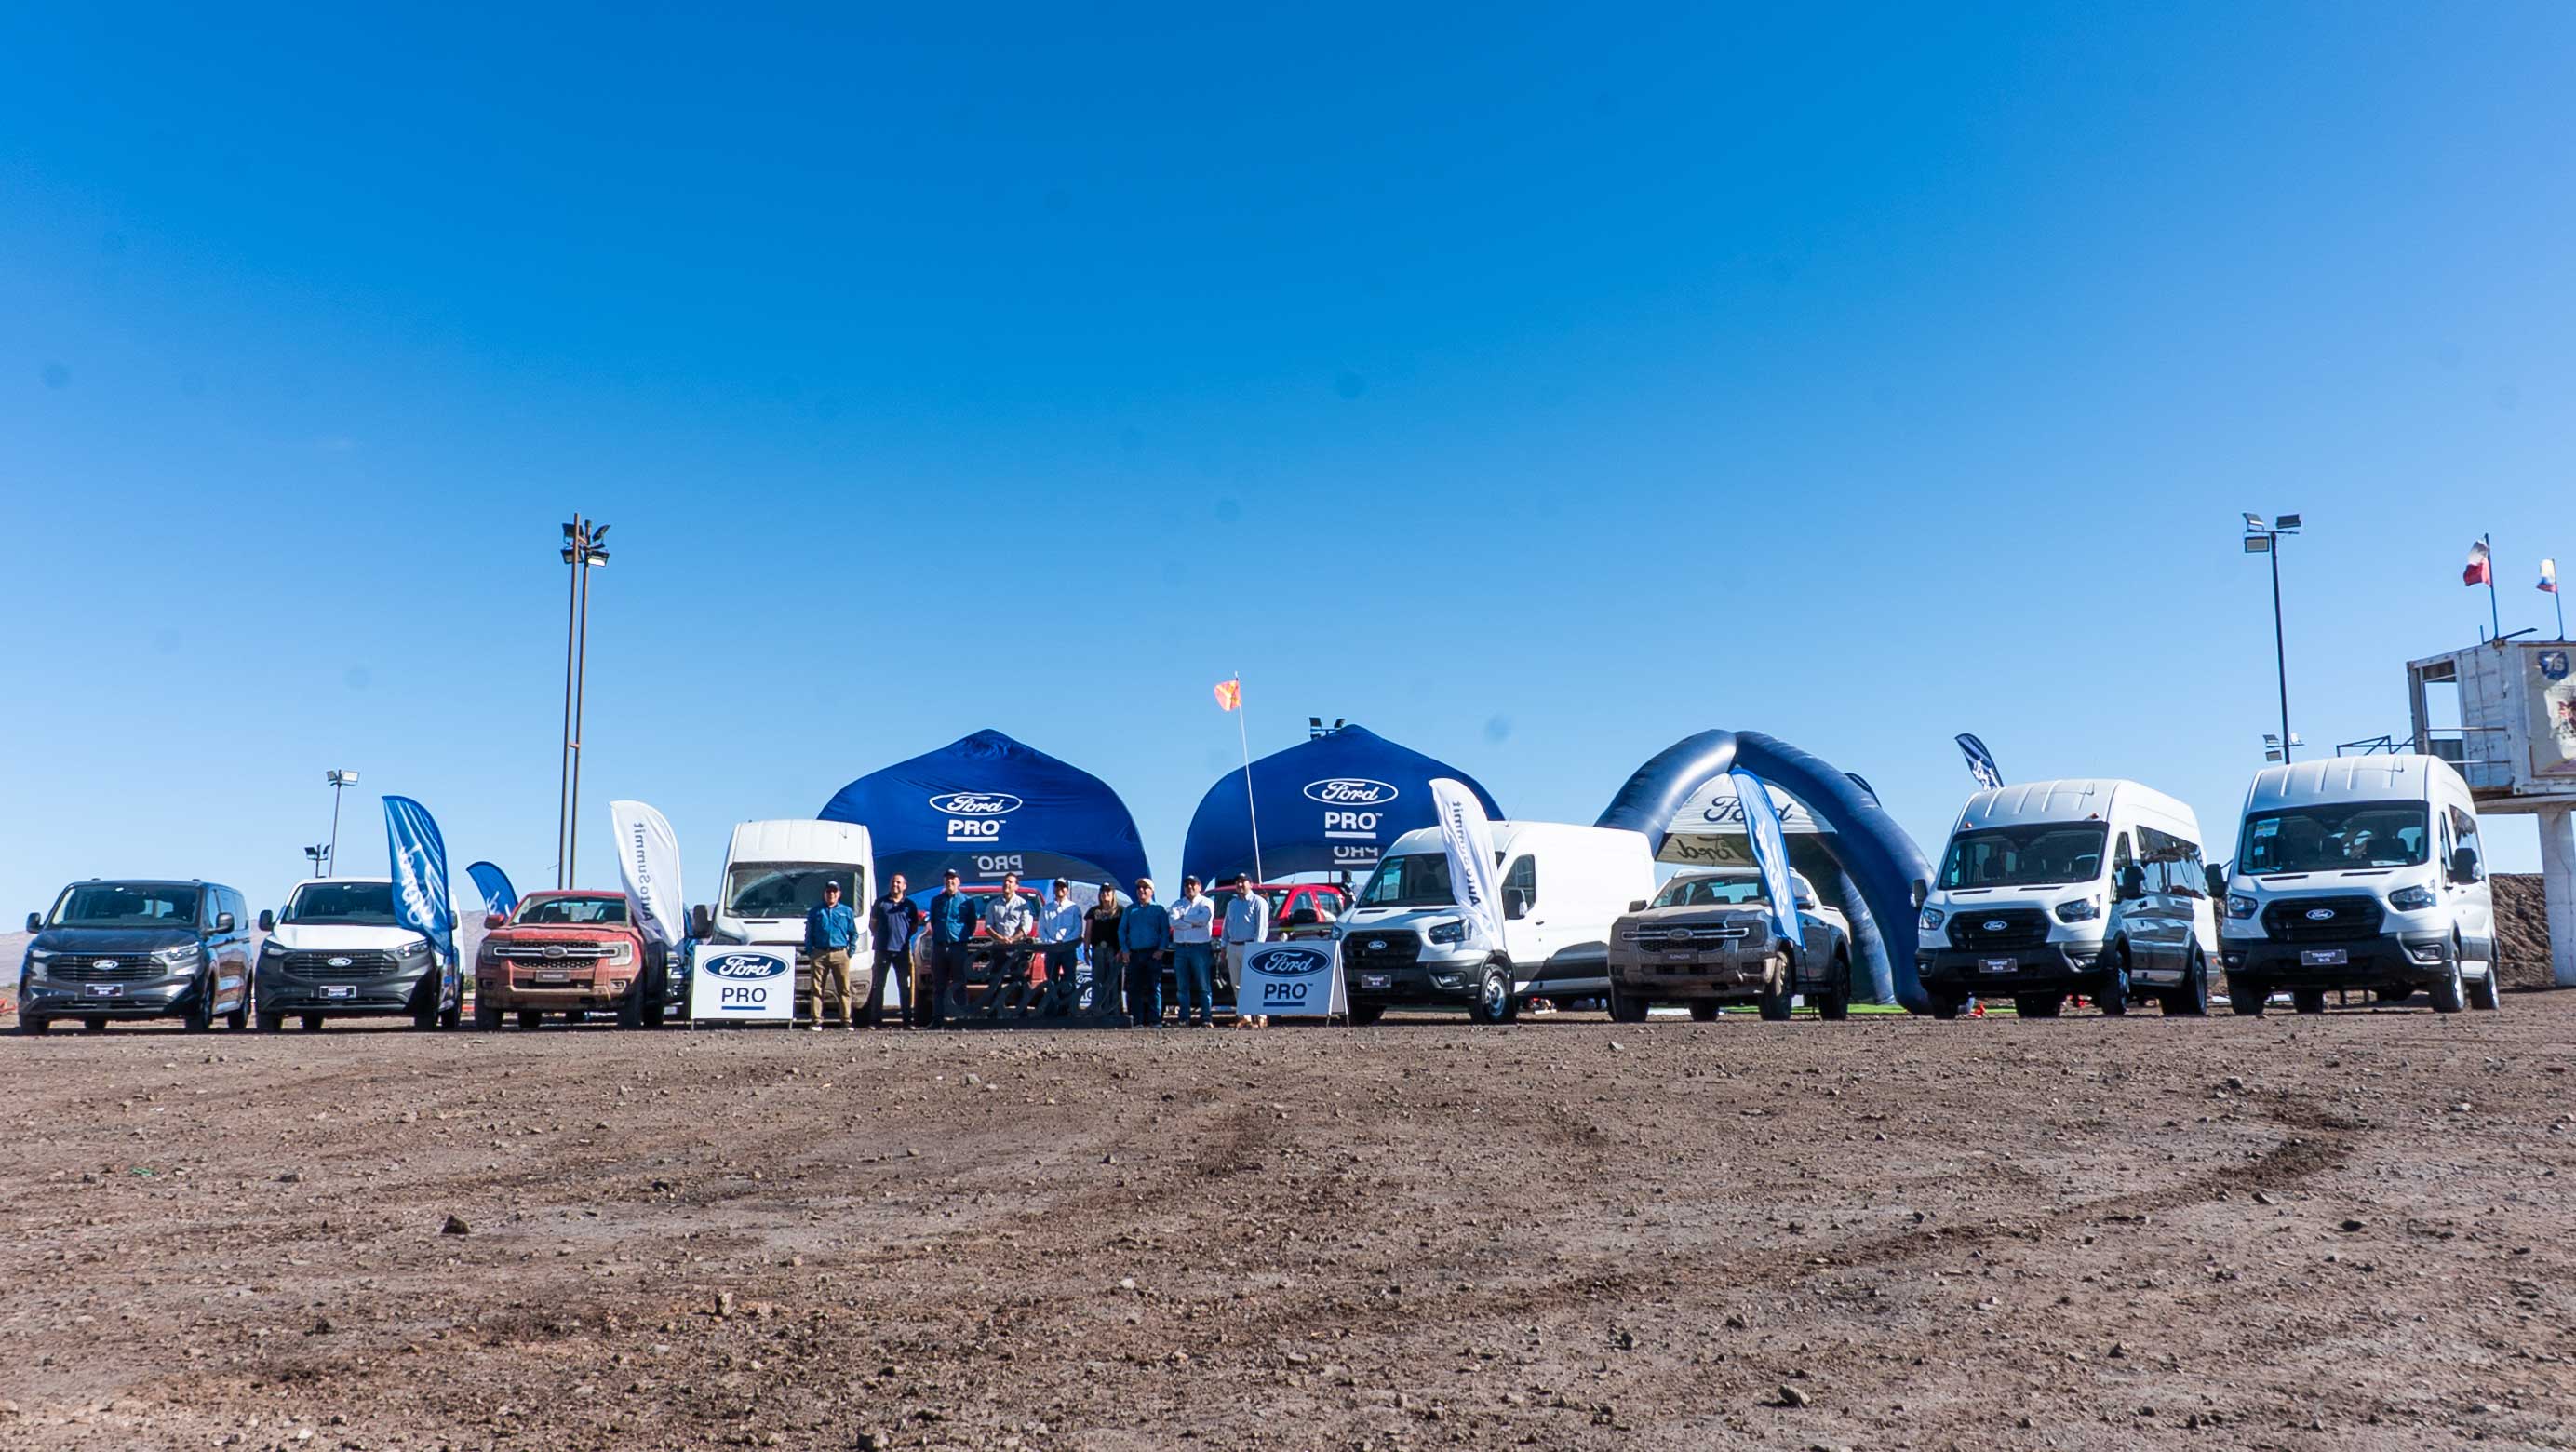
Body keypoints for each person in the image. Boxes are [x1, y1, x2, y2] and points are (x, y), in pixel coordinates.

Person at [801, 879, 862, 1032]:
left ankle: (846, 1021)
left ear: (839, 894)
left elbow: (853, 933)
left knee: (844, 988)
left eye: (834, 891)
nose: (831, 894)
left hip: (840, 953)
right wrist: (811, 951)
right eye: (829, 891)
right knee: (816, 988)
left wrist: (850, 951)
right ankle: (816, 1021)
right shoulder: (816, 912)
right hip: (820, 953)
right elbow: (809, 934)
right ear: (825, 893)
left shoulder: (846, 911)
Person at [865, 873, 921, 1028]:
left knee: (904, 986)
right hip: (882, 950)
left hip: (902, 951)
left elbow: (914, 926)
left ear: (904, 886)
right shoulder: (880, 903)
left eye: (898, 882)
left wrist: (902, 937)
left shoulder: (909, 905)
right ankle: (875, 1021)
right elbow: (873, 924)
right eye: (893, 882)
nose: (895, 885)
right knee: (878, 985)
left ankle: (907, 1021)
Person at [925, 868, 979, 1025]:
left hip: (958, 947)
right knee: (939, 985)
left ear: (959, 882)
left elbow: (971, 924)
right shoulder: (937, 901)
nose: (950, 881)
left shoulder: (967, 902)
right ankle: (938, 1019)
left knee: (959, 984)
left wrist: (961, 937)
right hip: (940, 947)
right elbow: (934, 921)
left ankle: (960, 1018)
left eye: (953, 879)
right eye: (948, 879)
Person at [1119, 877, 1172, 1026]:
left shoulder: (1159, 910)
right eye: (1139, 888)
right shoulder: (1130, 910)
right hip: (1134, 954)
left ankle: (1155, 1020)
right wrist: (1125, 949)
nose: (1141, 890)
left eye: (1145, 887)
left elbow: (1165, 931)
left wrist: (1161, 949)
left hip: (1152, 953)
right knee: (1134, 988)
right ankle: (1136, 1020)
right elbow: (1122, 930)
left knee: (1154, 987)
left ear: (1151, 891)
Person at [1223, 872, 1271, 1028]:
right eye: (1238, 882)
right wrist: (1224, 946)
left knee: (1254, 983)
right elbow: (1226, 926)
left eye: (1243, 882)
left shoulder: (1259, 902)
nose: (1240, 885)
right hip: (1233, 946)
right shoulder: (1232, 904)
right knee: (1236, 984)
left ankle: (1261, 1016)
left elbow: (1262, 928)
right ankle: (1244, 1016)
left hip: (1250, 946)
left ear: (1251, 884)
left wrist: (1257, 948)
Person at [1170, 874, 1218, 1027]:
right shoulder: (1177, 904)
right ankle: (1184, 1017)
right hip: (1181, 948)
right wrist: (1192, 922)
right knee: (1182, 986)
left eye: (1193, 884)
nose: (1189, 887)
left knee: (1204, 985)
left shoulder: (1207, 902)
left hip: (1200, 947)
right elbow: (1173, 922)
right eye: (1187, 885)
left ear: (1200, 887)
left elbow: (1204, 920)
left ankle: (1206, 1016)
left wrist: (1184, 919)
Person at [983, 870, 1036, 984]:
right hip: (998, 948)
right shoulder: (993, 904)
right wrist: (1000, 939)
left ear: (1016, 886)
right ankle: (997, 1002)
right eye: (1005, 881)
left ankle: (1020, 1001)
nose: (1007, 884)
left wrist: (1012, 939)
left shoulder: (1023, 905)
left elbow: (1026, 927)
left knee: (1018, 982)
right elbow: (988, 926)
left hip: (1017, 948)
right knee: (995, 980)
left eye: (1010, 882)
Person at [1084, 881, 1125, 1015]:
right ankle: (1097, 1010)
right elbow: (1088, 931)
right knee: (1098, 979)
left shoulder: (1121, 911)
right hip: (1098, 949)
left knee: (1114, 980)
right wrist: (1085, 949)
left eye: (1108, 891)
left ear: (1113, 894)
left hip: (1115, 950)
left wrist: (1122, 949)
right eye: (1102, 892)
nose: (1105, 894)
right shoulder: (1093, 911)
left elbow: (1125, 931)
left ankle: (1115, 1011)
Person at [1038, 878, 1084, 992]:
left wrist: (1065, 942)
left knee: (1069, 981)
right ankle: (1052, 1008)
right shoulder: (1046, 909)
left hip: (1068, 950)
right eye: (1057, 886)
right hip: (1052, 950)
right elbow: (1041, 929)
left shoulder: (1074, 908)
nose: (1060, 889)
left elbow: (1078, 929)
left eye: (1063, 886)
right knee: (1051, 981)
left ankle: (1068, 1008)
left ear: (1067, 889)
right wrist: (1051, 942)